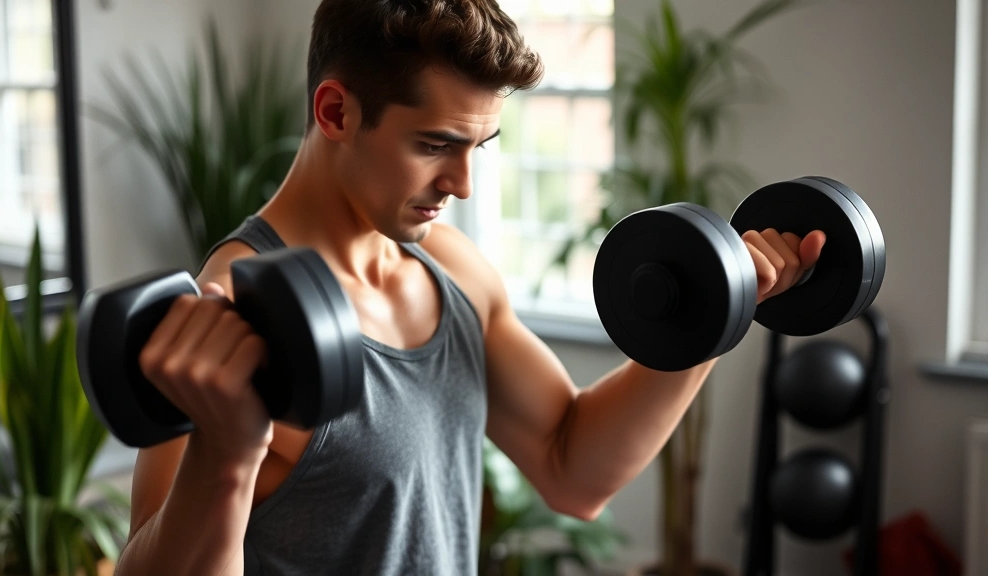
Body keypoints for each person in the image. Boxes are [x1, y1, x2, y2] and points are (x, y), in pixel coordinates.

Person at [114, 1, 826, 574]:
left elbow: (571, 468)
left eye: (477, 148)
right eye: (434, 145)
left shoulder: (449, 265)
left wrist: (718, 306)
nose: (461, 183)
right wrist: (228, 455)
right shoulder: (229, 314)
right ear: (335, 112)